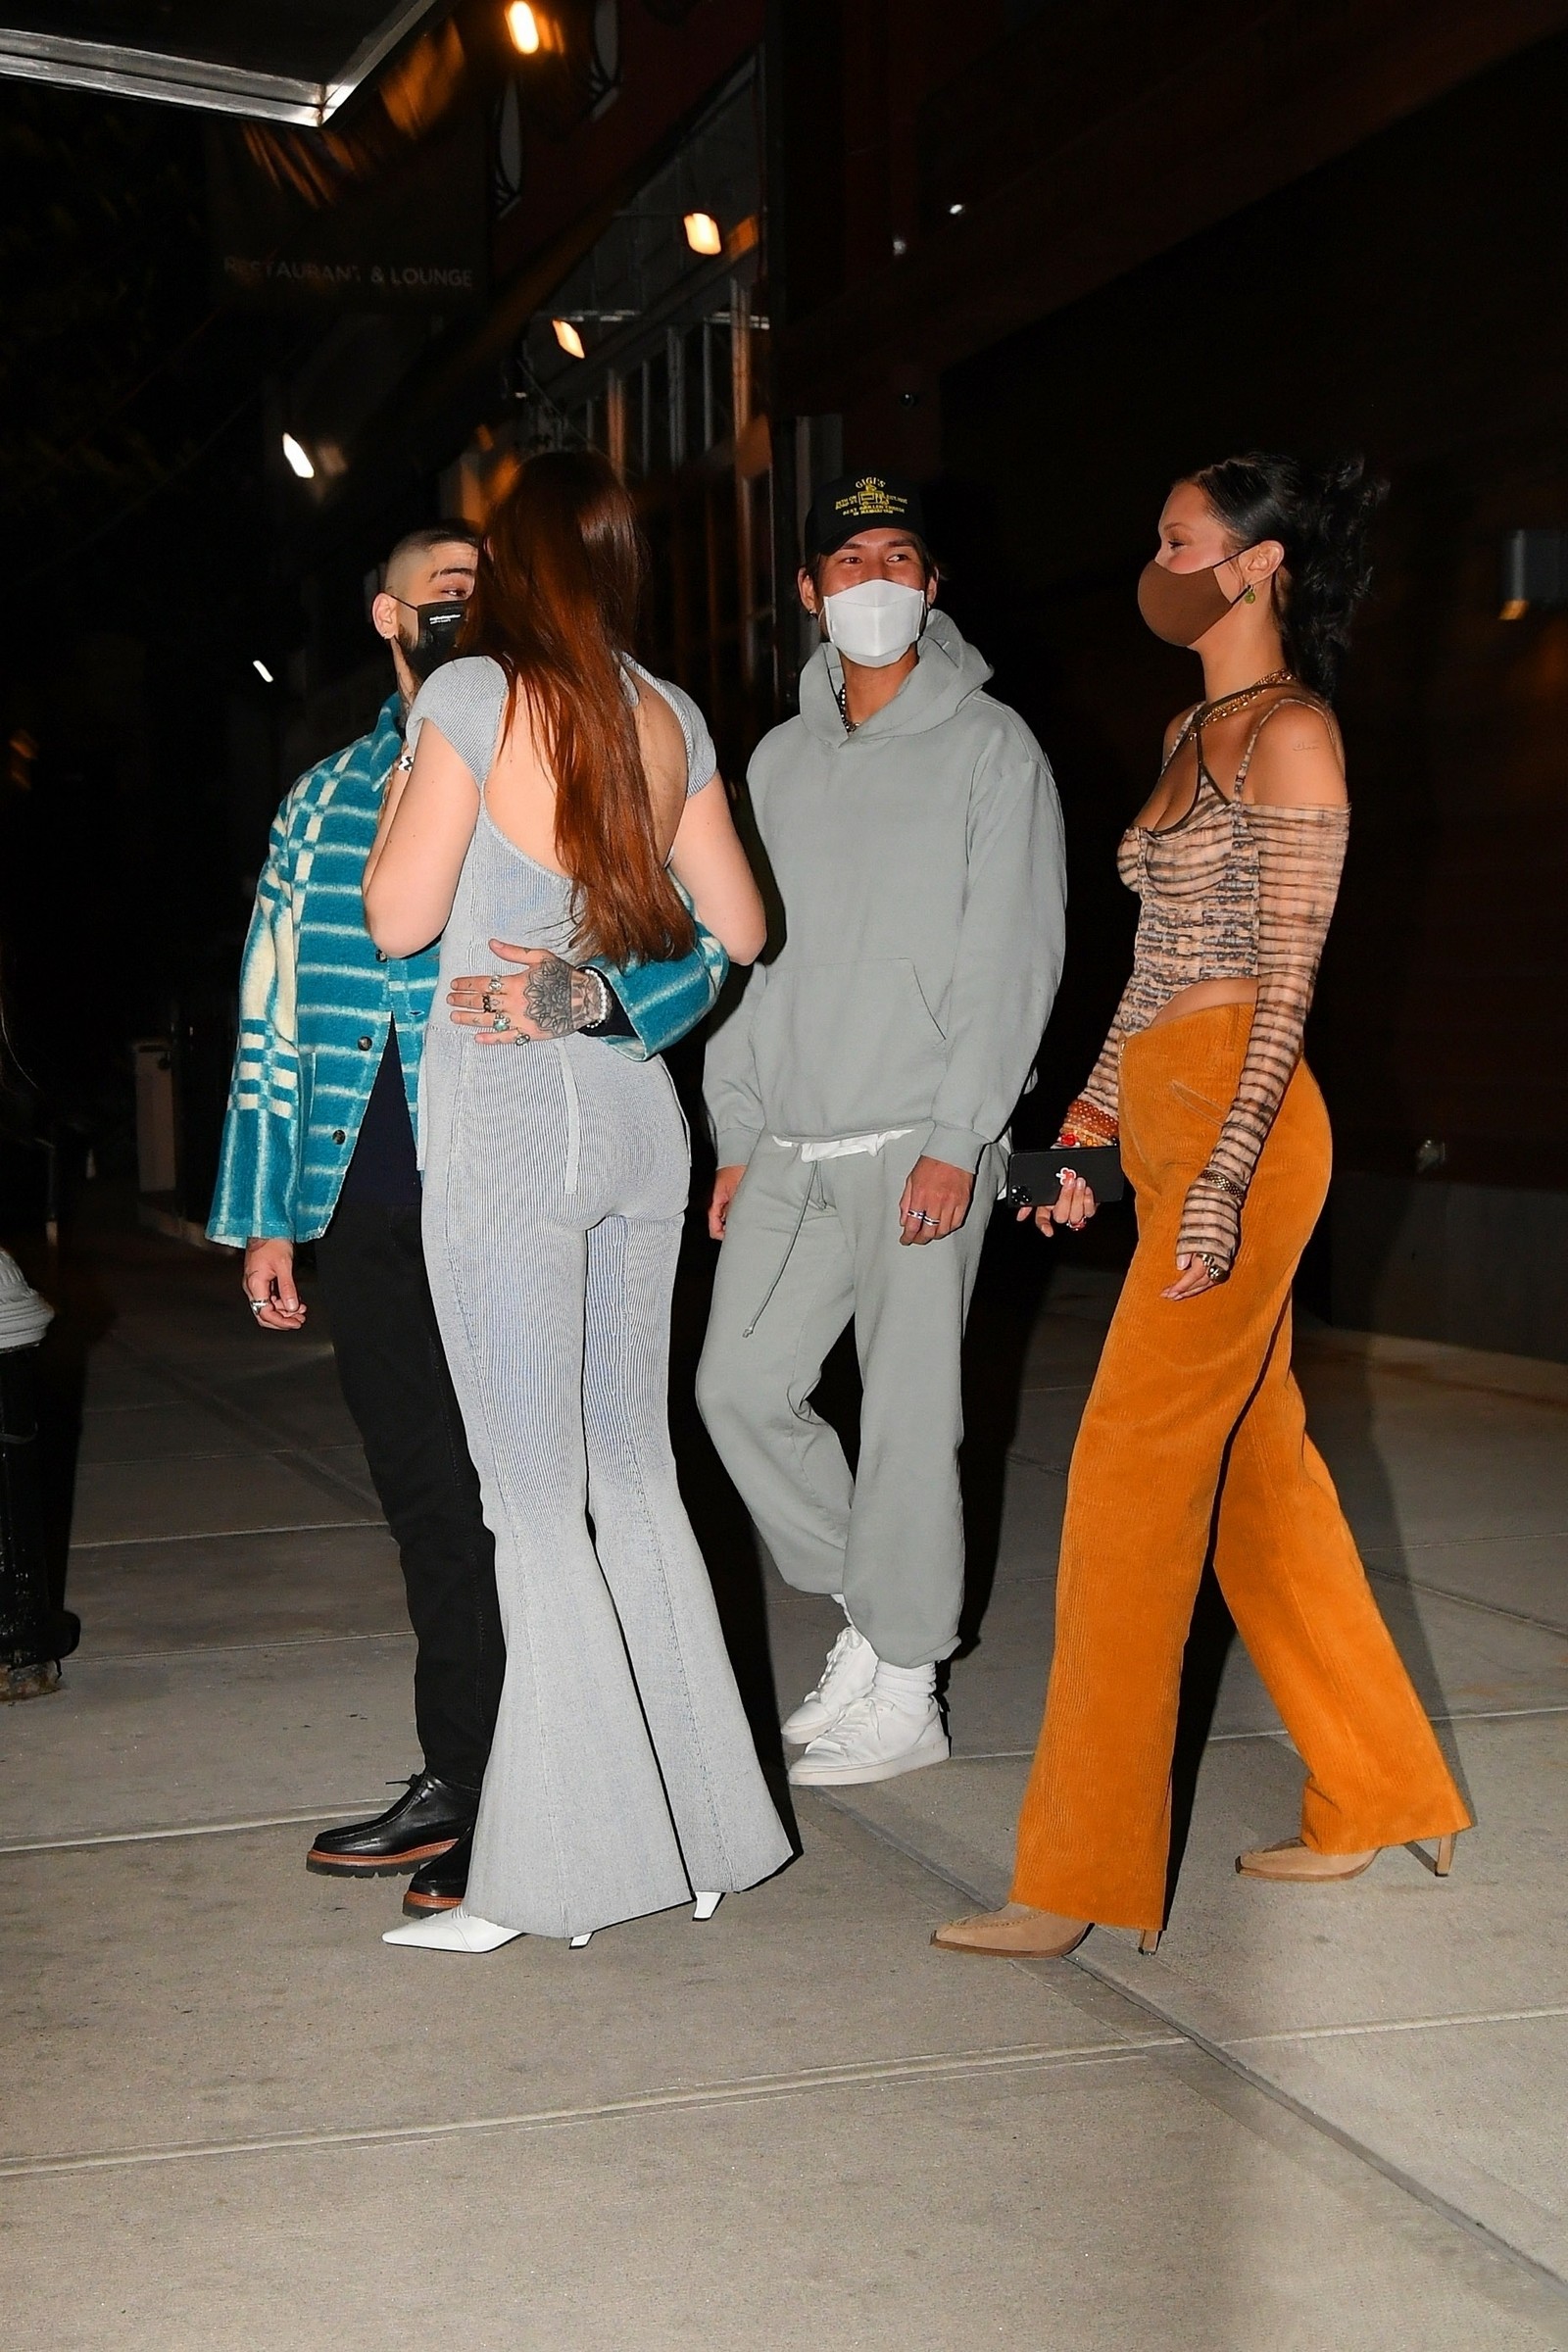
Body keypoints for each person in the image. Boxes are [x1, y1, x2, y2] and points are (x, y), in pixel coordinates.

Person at [936, 454, 1470, 1962]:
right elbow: (1158, 966)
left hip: (1250, 1118)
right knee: (1254, 1477)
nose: (1158, 565)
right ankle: (1379, 1787)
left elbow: (1284, 990)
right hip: (1171, 1107)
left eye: (1179, 541)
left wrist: (1224, 1179)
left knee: (1123, 1480)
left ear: (1257, 563)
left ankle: (1080, 1874)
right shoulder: (1190, 730)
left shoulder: (1295, 733)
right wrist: (1087, 1124)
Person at [209, 518, 731, 1919]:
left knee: (547, 1489)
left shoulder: (574, 734)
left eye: (483, 580)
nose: (466, 597)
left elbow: (703, 945)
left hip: (520, 1170)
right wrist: (269, 1215)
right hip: (372, 1194)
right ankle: (471, 1775)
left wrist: (589, 1000)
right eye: (439, 585)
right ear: (387, 618)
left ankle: (568, 1798)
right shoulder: (325, 796)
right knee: (435, 1503)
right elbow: (271, 1007)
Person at [363, 450, 791, 1955]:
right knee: (638, 1475)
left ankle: (553, 1876)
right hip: (632, 1123)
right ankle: (706, 1838)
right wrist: (594, 988)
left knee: (532, 1503)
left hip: (508, 1129)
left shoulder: (471, 697)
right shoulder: (668, 712)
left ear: (513, 564)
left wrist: (412, 782)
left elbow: (399, 918)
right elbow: (742, 928)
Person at [696, 471, 1065, 1788]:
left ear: (932, 584)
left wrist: (963, 1136)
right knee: (738, 1389)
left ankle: (908, 1691)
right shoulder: (774, 762)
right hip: (793, 1141)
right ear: (810, 591)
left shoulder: (992, 747)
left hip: (920, 1134)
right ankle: (880, 1612)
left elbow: (1012, 955)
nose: (875, 582)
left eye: (899, 557)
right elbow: (751, 962)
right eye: (849, 563)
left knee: (911, 1419)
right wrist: (737, 1128)